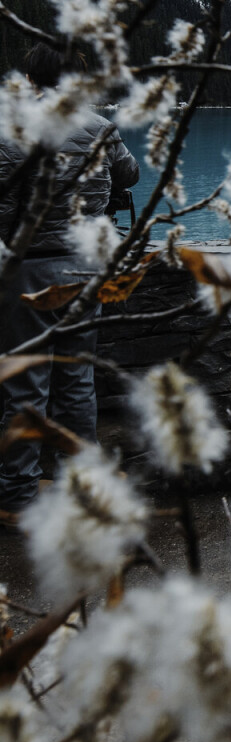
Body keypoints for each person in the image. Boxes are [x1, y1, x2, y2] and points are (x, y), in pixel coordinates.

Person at [0, 44, 139, 512]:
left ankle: (16, 497)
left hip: (31, 269)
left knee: (25, 384)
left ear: (31, 79)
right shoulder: (99, 127)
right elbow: (131, 175)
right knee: (77, 378)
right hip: (84, 267)